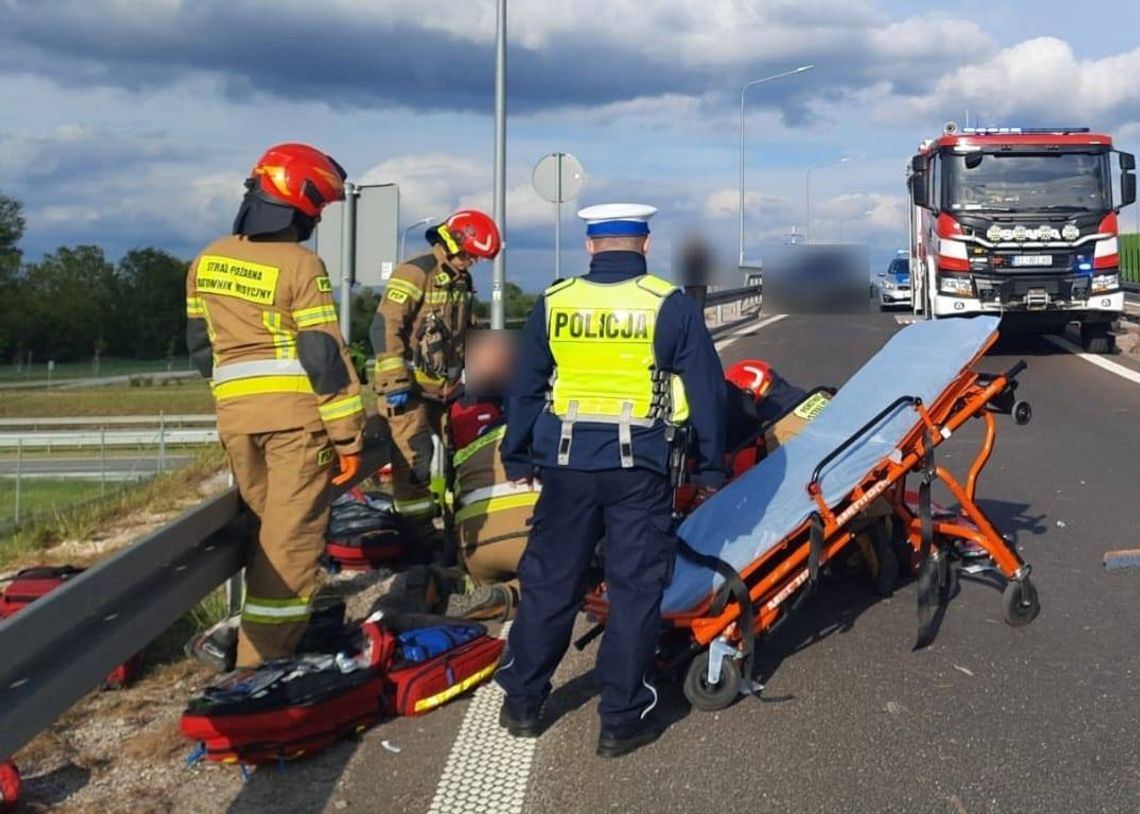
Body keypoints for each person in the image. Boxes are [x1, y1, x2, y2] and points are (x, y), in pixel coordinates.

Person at [494, 203, 727, 758]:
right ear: (644, 245)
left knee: (551, 580)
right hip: (640, 469)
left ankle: (523, 703)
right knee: (634, 590)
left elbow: (525, 385)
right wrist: (712, 467)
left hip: (565, 466)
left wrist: (518, 454)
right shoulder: (668, 304)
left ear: (590, 246)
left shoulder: (555, 301)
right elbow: (708, 392)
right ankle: (621, 720)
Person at [185, 143, 365, 668]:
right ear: (300, 201)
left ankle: (256, 641)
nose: (318, 217)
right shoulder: (301, 264)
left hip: (237, 423)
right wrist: (349, 439)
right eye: (319, 207)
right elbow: (323, 356)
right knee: (290, 548)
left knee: (270, 534)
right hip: (298, 428)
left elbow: (201, 348)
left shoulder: (207, 260)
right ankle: (258, 668)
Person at [369, 210, 502, 553]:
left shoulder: (458, 280)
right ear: (452, 242)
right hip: (409, 391)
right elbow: (385, 326)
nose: (471, 263)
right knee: (415, 465)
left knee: (466, 457)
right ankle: (418, 543)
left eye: (476, 258)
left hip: (448, 391)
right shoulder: (416, 272)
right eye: (469, 255)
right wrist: (394, 380)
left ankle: (457, 533)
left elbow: (465, 330)